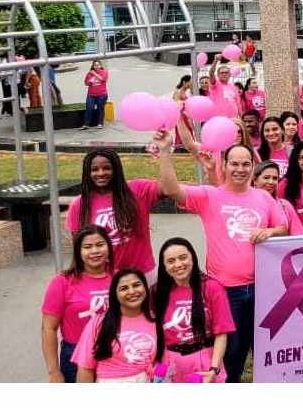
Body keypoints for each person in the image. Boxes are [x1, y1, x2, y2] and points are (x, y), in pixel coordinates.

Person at [153, 130, 287, 383]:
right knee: (232, 351)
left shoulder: (263, 197)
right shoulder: (209, 196)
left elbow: (283, 227)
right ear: (224, 166)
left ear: (253, 167)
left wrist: (269, 231)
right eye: (234, 163)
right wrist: (164, 151)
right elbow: (171, 189)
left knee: (262, 347)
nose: (240, 169)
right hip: (225, 291)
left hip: (262, 287)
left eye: (246, 164)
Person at [65, 149, 161, 276]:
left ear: (116, 169)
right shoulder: (79, 205)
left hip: (142, 275)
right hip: (103, 278)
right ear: (87, 173)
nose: (101, 173)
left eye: (106, 168)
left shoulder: (138, 189)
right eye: (94, 169)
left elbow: (170, 189)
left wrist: (164, 153)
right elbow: (79, 249)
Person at [152, 238, 232, 383]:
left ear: (193, 258)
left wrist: (214, 369)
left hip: (204, 361)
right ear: (164, 266)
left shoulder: (212, 287)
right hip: (169, 363)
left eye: (183, 258)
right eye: (171, 261)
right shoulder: (157, 292)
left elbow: (221, 333)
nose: (178, 264)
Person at [42, 225, 113, 383]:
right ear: (78, 252)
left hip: (114, 353)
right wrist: (54, 371)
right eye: (87, 247)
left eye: (100, 245)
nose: (95, 251)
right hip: (75, 355)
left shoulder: (120, 279)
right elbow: (48, 328)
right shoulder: (62, 282)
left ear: (108, 247)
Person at [71, 269, 156, 383]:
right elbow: (85, 369)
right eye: (124, 288)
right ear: (115, 294)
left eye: (136, 285)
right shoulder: (99, 322)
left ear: (145, 288)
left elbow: (161, 360)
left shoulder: (155, 320)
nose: (132, 291)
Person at [253, 162, 303, 236]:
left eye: (275, 178)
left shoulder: (285, 205)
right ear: (255, 180)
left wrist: (273, 232)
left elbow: (299, 235)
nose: (271, 182)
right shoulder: (247, 203)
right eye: (266, 178)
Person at [80, 61, 109, 130]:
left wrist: (94, 74)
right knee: (89, 108)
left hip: (102, 94)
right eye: (95, 65)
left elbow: (102, 79)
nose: (96, 66)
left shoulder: (104, 72)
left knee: (100, 108)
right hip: (91, 94)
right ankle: (86, 124)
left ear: (100, 66)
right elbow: (86, 83)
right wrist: (89, 81)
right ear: (93, 66)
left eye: (98, 65)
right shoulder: (89, 73)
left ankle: (100, 123)